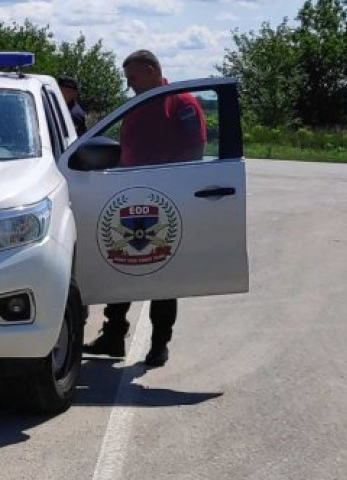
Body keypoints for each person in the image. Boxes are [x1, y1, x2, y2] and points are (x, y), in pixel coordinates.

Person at [83, 49, 207, 367]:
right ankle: (113, 336)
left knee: (163, 275)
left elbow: (194, 150)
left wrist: (175, 188)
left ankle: (159, 344)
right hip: (130, 198)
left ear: (152, 70)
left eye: (133, 77)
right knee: (121, 265)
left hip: (166, 201)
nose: (130, 84)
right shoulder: (138, 105)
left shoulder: (181, 103)